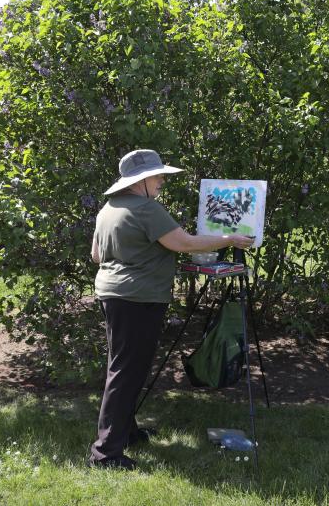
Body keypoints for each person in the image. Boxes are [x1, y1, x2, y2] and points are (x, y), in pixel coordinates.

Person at [88, 148, 254, 470]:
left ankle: (127, 433)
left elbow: (97, 254)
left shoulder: (109, 208)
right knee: (125, 373)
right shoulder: (147, 209)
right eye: (159, 175)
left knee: (124, 368)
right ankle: (105, 454)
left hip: (113, 294)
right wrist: (230, 239)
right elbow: (184, 243)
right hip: (137, 299)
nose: (163, 179)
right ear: (142, 180)